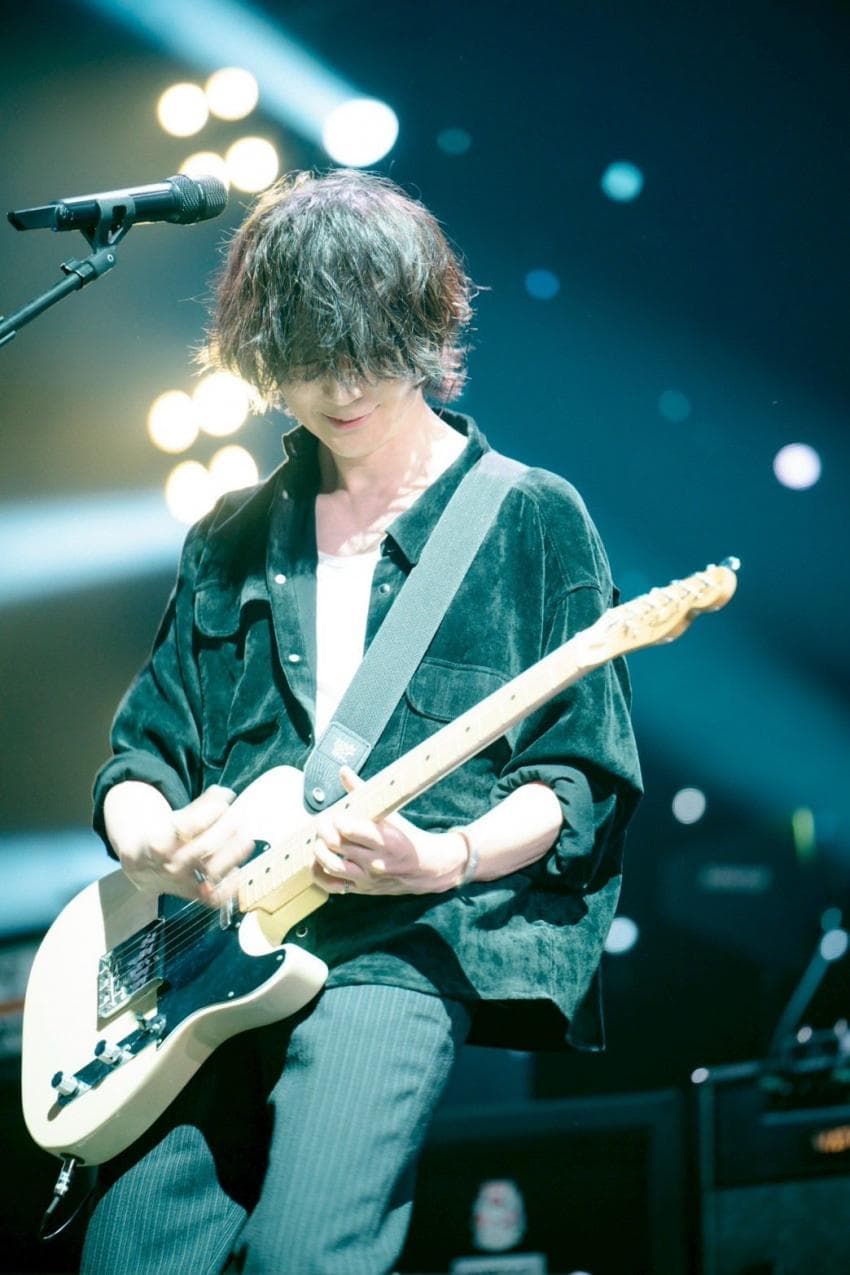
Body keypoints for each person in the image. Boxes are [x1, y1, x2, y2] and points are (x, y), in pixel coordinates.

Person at [81, 168, 642, 1274]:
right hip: (204, 953)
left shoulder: (528, 516)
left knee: (307, 1254)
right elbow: (142, 753)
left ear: (421, 330)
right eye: (303, 360)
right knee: (136, 1254)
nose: (338, 388)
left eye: (366, 353)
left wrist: (445, 854)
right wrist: (153, 842)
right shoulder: (231, 535)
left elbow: (576, 774)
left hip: (394, 946)